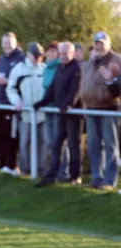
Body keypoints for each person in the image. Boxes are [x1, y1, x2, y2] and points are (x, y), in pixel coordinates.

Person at [34, 42, 83, 188]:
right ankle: (51, 175)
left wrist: (68, 104)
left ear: (73, 54)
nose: (62, 56)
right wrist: (41, 102)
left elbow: (75, 91)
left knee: (74, 145)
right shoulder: (60, 68)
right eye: (60, 53)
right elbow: (52, 89)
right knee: (56, 144)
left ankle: (75, 176)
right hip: (61, 113)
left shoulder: (77, 68)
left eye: (65, 53)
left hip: (73, 114)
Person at [79, 32, 121, 190]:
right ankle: (97, 177)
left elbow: (118, 88)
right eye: (96, 43)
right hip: (91, 108)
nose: (99, 46)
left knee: (111, 145)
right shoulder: (92, 60)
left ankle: (110, 181)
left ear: (108, 44)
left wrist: (111, 79)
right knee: (93, 144)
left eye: (102, 43)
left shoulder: (117, 60)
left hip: (108, 109)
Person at [5, 42, 47, 176]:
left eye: (40, 56)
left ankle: (41, 170)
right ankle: (25, 170)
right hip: (25, 114)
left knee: (44, 142)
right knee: (24, 142)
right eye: (35, 56)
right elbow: (10, 88)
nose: (38, 59)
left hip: (43, 114)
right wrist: (16, 101)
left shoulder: (45, 69)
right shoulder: (19, 69)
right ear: (28, 55)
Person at [0, 32, 25, 176]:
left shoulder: (21, 59)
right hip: (1, 101)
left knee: (12, 135)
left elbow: (23, 81)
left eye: (9, 42)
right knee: (2, 135)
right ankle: (5, 164)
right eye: (4, 42)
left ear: (15, 43)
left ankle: (13, 165)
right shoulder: (2, 59)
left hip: (13, 103)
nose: (6, 45)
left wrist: (7, 81)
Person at [43, 41, 69, 181]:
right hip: (48, 108)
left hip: (58, 108)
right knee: (50, 142)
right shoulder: (46, 68)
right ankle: (53, 170)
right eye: (50, 51)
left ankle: (63, 172)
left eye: (55, 51)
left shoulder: (60, 66)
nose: (52, 54)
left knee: (59, 142)